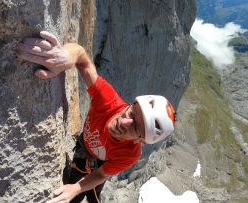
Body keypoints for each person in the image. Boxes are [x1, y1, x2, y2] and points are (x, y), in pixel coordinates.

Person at [17, 31, 176, 203]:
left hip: (101, 163)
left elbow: (101, 174)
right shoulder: (107, 100)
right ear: (131, 104)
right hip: (84, 150)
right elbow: (80, 55)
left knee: (90, 194)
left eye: (135, 127)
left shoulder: (129, 154)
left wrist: (76, 188)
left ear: (140, 141)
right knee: (73, 193)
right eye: (131, 113)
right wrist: (65, 57)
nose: (124, 122)